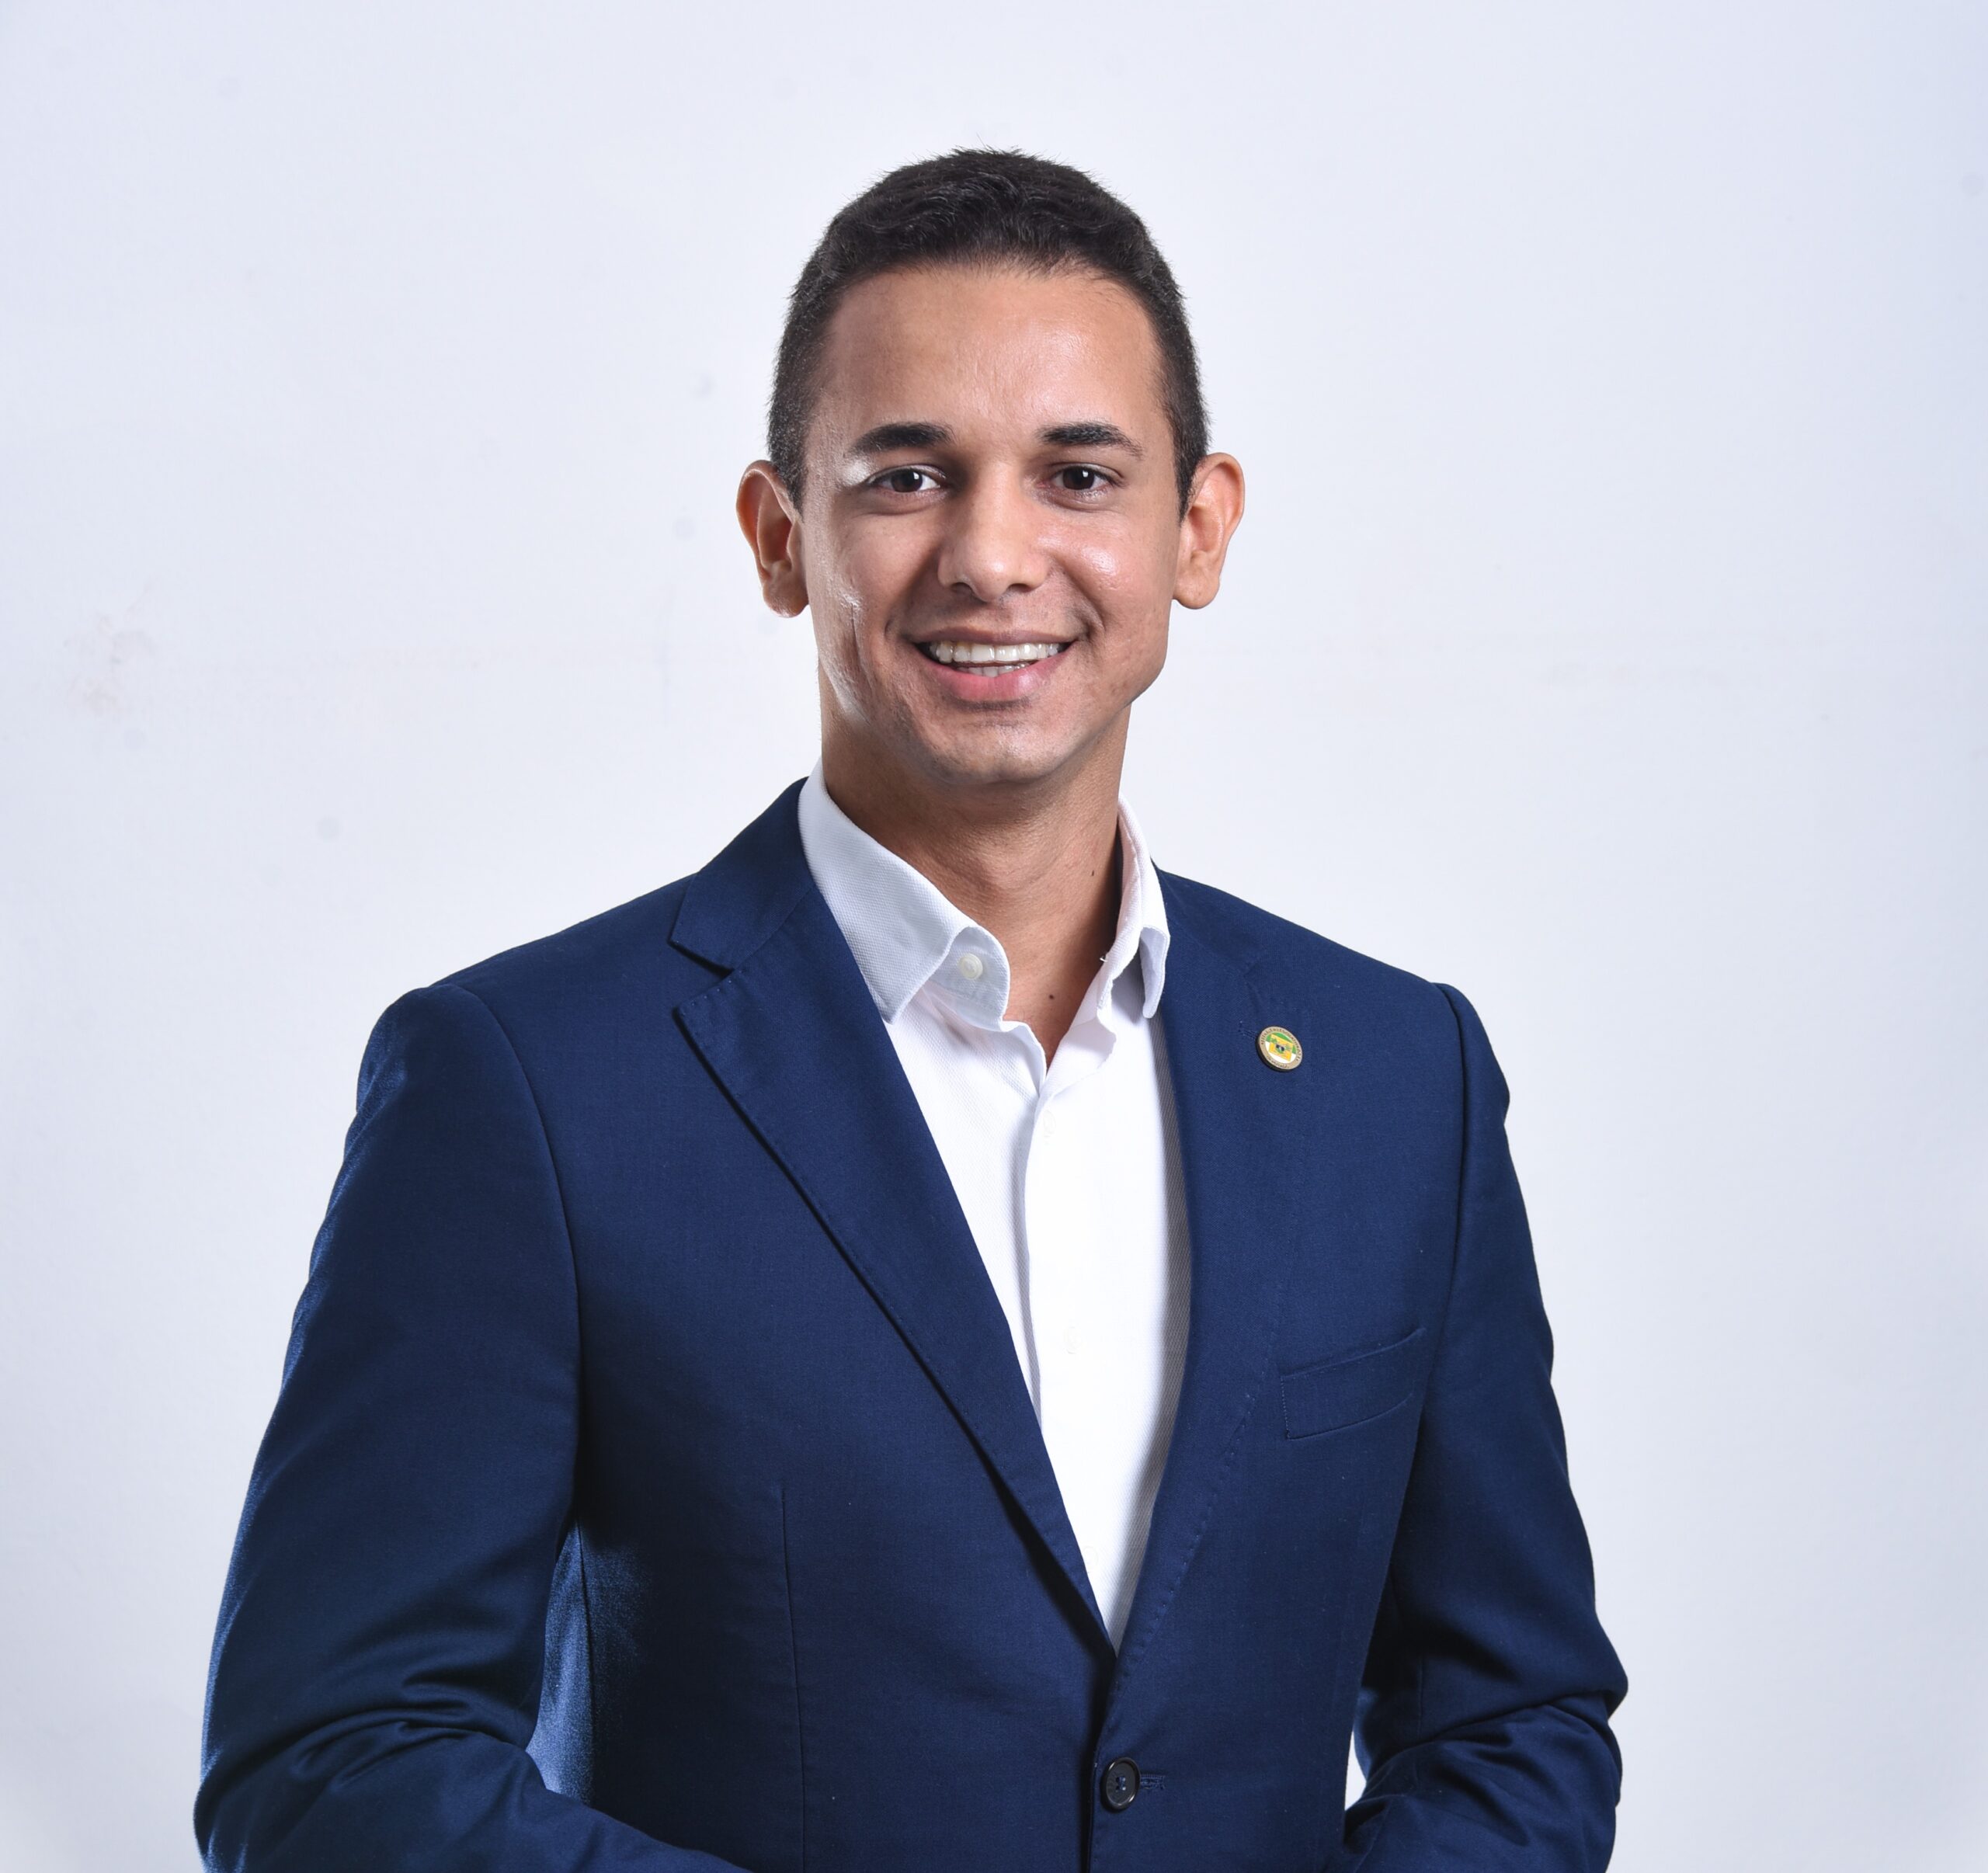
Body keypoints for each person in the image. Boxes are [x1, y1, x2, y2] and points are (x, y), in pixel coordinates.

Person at [196, 148, 1627, 1872]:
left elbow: (1511, 1723)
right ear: (779, 538)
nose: (994, 555)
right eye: (906, 477)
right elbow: (333, 1766)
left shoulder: (1398, 1080)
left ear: (1197, 529)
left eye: (1077, 474)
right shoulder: (527, 1088)